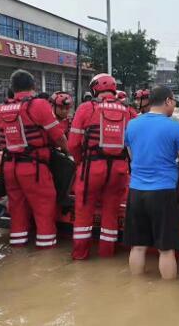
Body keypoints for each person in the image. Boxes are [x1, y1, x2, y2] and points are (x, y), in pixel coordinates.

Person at [123, 86, 179, 280]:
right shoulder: (173, 127)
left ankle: (136, 289)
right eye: (174, 101)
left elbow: (132, 155)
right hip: (162, 192)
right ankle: (168, 297)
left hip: (136, 191)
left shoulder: (132, 124)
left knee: (137, 246)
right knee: (166, 249)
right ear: (168, 101)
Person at [0, 70, 69, 248]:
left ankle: (18, 249)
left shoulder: (2, 109)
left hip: (9, 167)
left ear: (12, 88)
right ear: (34, 86)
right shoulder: (38, 105)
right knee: (44, 208)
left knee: (17, 210)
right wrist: (69, 152)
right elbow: (58, 136)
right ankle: (46, 254)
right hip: (34, 168)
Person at [68, 74, 131, 259]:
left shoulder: (86, 108)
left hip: (92, 168)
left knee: (83, 212)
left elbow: (73, 144)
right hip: (119, 169)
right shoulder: (127, 111)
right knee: (111, 212)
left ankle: (80, 255)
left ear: (94, 89)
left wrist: (81, 161)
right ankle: (107, 254)